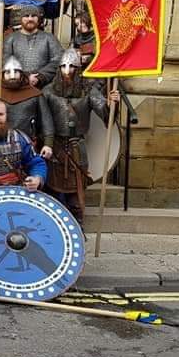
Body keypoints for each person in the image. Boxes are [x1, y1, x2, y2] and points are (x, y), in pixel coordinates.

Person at [44, 49, 119, 225]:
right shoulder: (48, 92)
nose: (67, 70)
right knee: (52, 190)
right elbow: (42, 120)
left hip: (77, 146)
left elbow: (105, 115)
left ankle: (76, 226)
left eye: (72, 67)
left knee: (76, 196)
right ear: (59, 68)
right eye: (64, 66)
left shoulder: (88, 90)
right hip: (55, 146)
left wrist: (112, 103)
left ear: (78, 69)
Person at [0, 55, 54, 154]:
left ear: (21, 74)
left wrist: (48, 144)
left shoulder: (35, 94)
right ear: (2, 75)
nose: (12, 76)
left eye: (16, 72)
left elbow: (46, 120)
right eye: (8, 72)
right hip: (0, 145)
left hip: (28, 144)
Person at [2, 4, 63, 89]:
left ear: (38, 19)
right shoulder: (11, 39)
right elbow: (5, 62)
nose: (30, 19)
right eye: (26, 16)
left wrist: (41, 76)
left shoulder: (49, 38)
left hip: (44, 86)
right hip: (17, 86)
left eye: (33, 16)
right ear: (21, 19)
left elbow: (58, 60)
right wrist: (25, 77)